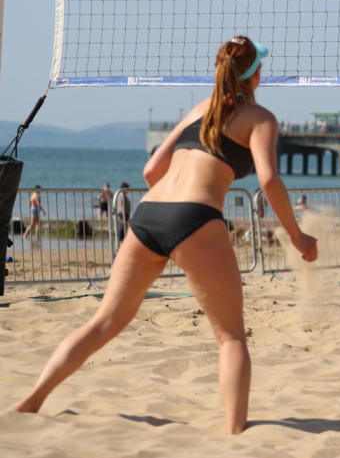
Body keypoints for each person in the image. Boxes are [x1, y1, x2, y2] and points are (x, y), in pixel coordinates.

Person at [14, 36, 318, 434]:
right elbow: (269, 180)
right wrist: (296, 236)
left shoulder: (197, 110)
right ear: (255, 74)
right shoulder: (260, 118)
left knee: (103, 322)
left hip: (147, 216)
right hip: (194, 218)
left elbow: (151, 170)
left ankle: (32, 400)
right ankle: (234, 435)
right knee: (231, 339)